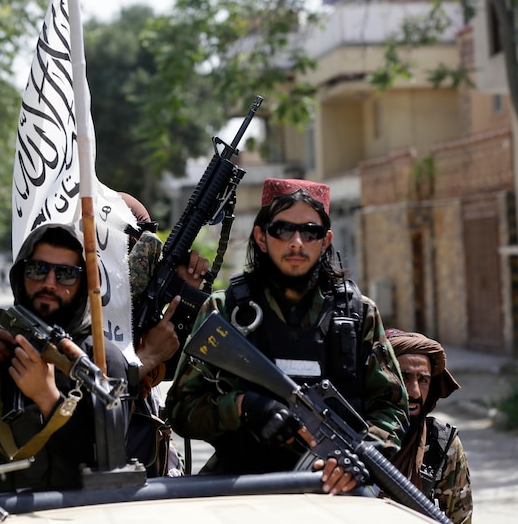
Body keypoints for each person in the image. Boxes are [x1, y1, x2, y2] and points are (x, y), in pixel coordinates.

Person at [166, 177, 408, 494]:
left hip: (333, 491)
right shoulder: (226, 311)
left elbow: (392, 409)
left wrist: (356, 460)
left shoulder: (358, 315)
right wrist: (242, 406)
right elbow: (181, 410)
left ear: (326, 240)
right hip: (242, 490)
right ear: (261, 237)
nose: (297, 242)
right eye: (282, 229)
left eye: (310, 232)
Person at [0, 223, 130, 492]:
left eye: (66, 274)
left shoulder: (101, 360)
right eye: (38, 269)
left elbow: (107, 465)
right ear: (21, 274)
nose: (49, 283)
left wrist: (49, 399)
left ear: (85, 285)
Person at [121, 191, 208, 477]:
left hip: (153, 462)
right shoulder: (79, 311)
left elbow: (188, 371)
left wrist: (187, 298)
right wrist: (146, 358)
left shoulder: (144, 315)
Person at [386, 329, 473, 523]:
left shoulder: (442, 444)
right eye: (403, 377)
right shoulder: (352, 437)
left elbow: (460, 519)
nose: (415, 392)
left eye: (423, 380)